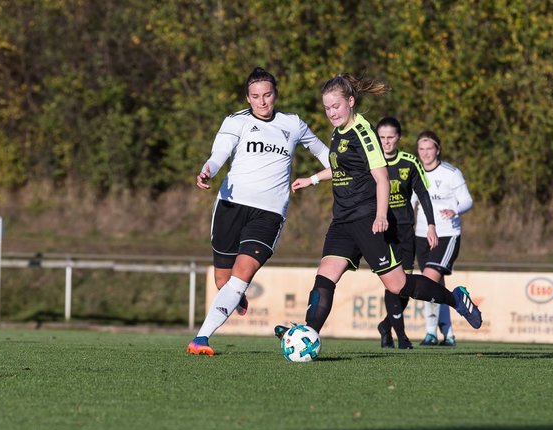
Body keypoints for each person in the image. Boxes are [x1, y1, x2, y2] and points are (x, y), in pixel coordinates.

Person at [277, 74, 482, 347]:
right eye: (327, 108)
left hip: (366, 218)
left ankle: (455, 299)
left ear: (350, 102)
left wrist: (382, 215)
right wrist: (312, 179)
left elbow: (382, 177)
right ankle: (308, 333)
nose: (331, 113)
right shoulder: (338, 132)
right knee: (325, 275)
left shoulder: (363, 132)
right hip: (342, 220)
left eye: (335, 106)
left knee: (398, 285)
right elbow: (341, 168)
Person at [186, 67, 331, 356]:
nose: (262, 102)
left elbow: (325, 153)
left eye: (267, 95)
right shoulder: (235, 122)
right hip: (231, 206)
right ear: (248, 98)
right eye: (256, 97)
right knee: (223, 282)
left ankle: (200, 339)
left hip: (269, 213)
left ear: (275, 94)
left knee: (241, 276)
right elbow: (219, 155)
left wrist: (339, 170)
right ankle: (233, 296)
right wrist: (207, 171)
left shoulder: (293, 124)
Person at [373, 117, 438, 349]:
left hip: (404, 231)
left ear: (398, 137)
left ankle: (386, 326)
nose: (386, 142)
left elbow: (423, 194)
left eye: (391, 137)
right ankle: (401, 336)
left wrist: (431, 225)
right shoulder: (370, 162)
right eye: (382, 137)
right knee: (392, 284)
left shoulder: (409, 162)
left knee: (405, 286)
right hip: (381, 232)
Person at [412, 130, 475, 347]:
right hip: (421, 234)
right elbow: (411, 202)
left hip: (447, 234)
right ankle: (448, 334)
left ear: (438, 149)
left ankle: (430, 333)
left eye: (430, 148)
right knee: (436, 286)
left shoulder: (451, 173)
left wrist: (454, 210)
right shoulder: (416, 171)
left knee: (427, 281)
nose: (426, 153)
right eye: (421, 149)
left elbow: (467, 200)